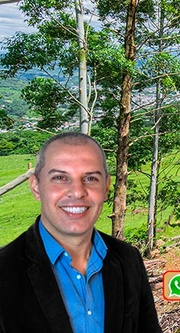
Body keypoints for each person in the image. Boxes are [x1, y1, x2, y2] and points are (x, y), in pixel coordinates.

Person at [0, 132, 162, 333]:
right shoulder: (4, 271)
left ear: (105, 188)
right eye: (60, 177)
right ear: (36, 187)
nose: (77, 192)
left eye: (90, 178)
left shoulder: (128, 259)